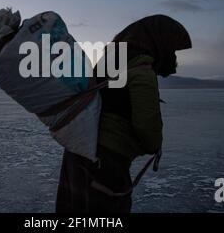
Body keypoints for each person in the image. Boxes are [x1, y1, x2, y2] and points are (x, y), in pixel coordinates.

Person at [56, 14, 192, 213]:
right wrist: (153, 144)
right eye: (172, 49)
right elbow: (148, 131)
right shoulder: (141, 70)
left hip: (78, 152)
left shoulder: (109, 61)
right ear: (158, 42)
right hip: (107, 163)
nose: (174, 57)